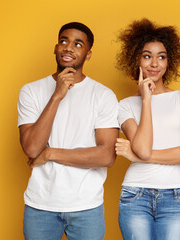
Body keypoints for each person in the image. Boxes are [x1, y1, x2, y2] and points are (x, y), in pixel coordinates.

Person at [17, 22, 119, 240]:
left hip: (86, 207)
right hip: (40, 205)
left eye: (78, 44)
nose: (69, 48)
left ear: (88, 54)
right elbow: (32, 148)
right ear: (55, 48)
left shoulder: (103, 95)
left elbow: (107, 155)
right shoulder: (31, 91)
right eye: (64, 41)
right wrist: (57, 95)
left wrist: (50, 153)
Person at [115, 18, 180, 240]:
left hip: (174, 196)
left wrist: (138, 157)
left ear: (169, 61)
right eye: (147, 56)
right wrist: (146, 100)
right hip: (135, 196)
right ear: (136, 60)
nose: (154, 63)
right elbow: (143, 148)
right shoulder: (124, 105)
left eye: (161, 57)